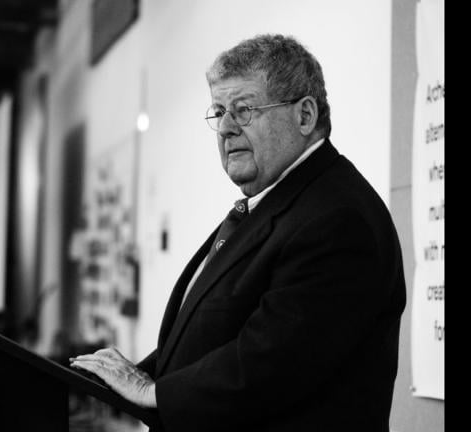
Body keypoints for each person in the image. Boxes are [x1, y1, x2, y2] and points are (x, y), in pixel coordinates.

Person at [70, 34, 406, 432]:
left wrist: (154, 391)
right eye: (219, 111)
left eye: (243, 110)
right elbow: (219, 332)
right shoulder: (278, 202)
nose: (225, 128)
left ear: (305, 116)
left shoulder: (337, 218)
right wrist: (133, 376)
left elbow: (274, 362)